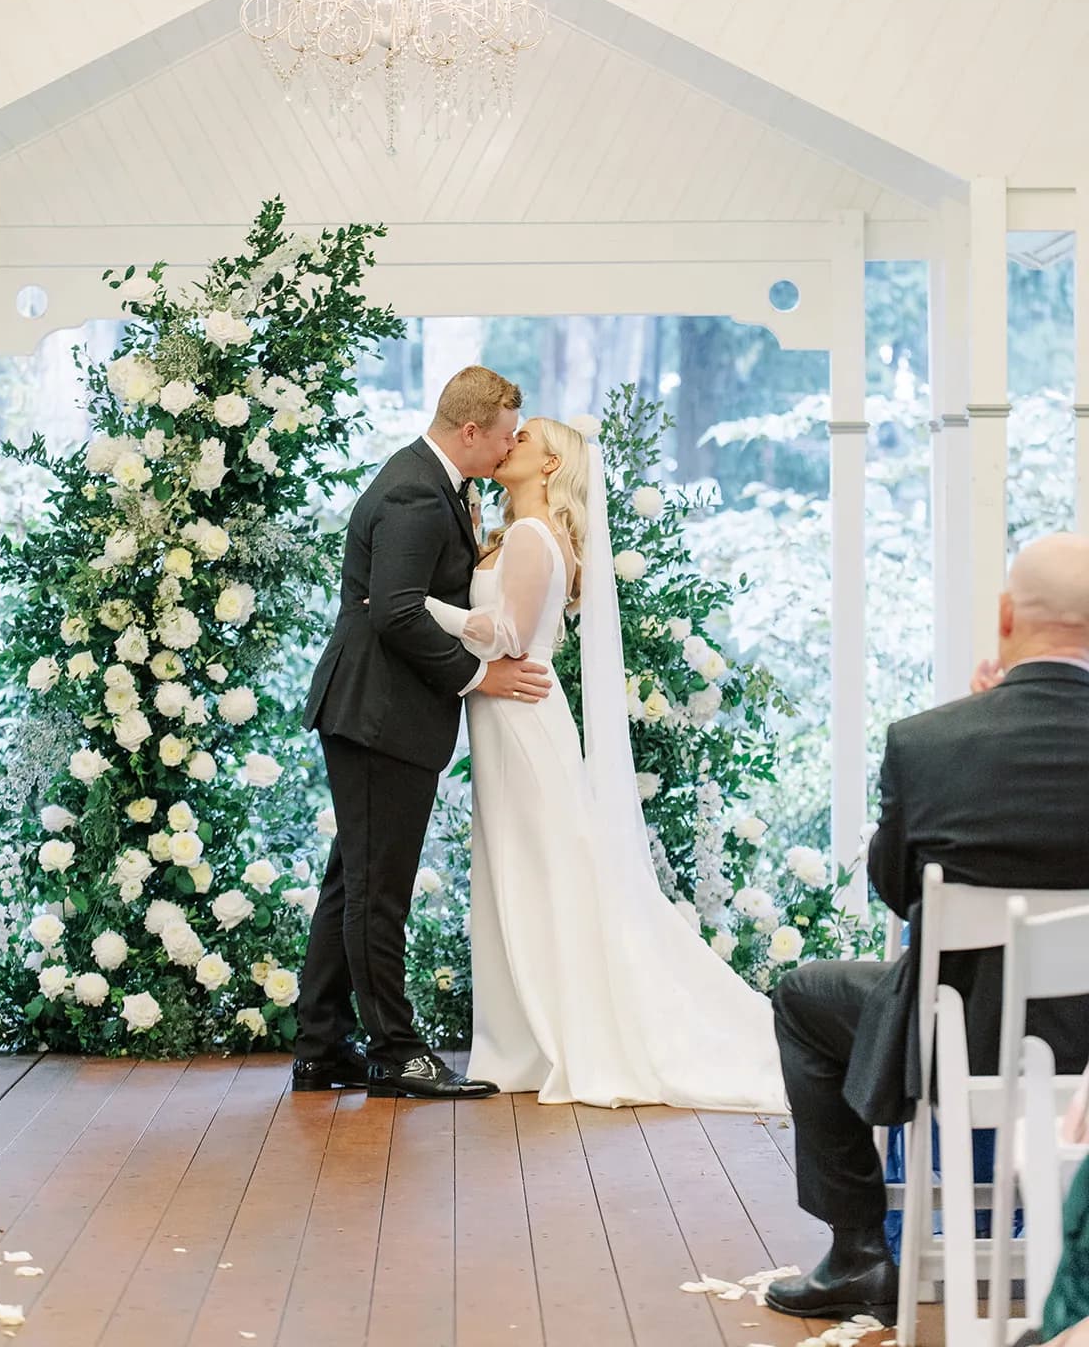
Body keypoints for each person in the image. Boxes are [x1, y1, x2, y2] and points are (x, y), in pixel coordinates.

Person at [764, 533, 1089, 1326]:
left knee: (803, 996)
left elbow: (898, 890)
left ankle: (858, 1254)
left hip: (961, 1041)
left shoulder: (932, 742)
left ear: (1008, 618)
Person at [423, 417, 785, 1109]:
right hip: (509, 718)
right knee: (525, 869)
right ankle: (527, 1037)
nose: (509, 444)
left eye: (523, 440)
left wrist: (425, 610)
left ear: (552, 465)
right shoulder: (519, 533)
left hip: (523, 719)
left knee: (546, 869)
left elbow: (507, 637)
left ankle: (554, 1035)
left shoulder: (533, 537)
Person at [294, 367, 552, 1101]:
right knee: (379, 892)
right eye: (504, 437)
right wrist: (480, 677)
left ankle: (320, 1047)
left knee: (354, 882)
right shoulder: (414, 492)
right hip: (379, 714)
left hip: (380, 712)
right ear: (471, 432)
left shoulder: (434, 482)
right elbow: (396, 612)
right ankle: (396, 1054)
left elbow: (405, 604)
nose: (507, 451)